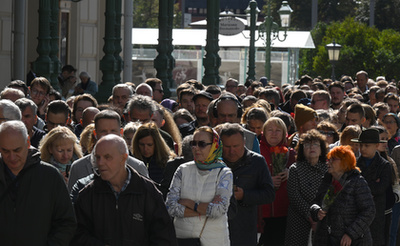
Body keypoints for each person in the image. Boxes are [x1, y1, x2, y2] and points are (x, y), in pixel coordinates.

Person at [71, 135, 177, 245]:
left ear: (123, 158)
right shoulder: (87, 195)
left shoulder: (148, 193)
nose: (101, 163)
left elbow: (165, 238)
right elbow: (77, 236)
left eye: (107, 157)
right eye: (98, 157)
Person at [0, 120, 76, 244]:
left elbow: (66, 223)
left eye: (17, 150)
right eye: (5, 151)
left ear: (28, 142)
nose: (12, 157)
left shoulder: (50, 176)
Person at [166, 126, 233, 245]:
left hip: (214, 241)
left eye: (201, 144)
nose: (196, 148)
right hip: (183, 239)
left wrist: (189, 203)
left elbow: (219, 210)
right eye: (193, 143)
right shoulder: (182, 170)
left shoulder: (224, 173)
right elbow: (171, 207)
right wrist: (205, 209)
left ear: (214, 146)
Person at [219, 123, 275, 245]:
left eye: (236, 146)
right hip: (218, 228)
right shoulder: (215, 163)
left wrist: (244, 195)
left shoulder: (256, 161)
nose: (231, 151)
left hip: (245, 229)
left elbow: (269, 194)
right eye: (227, 147)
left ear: (244, 142)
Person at [67, 110, 148, 191]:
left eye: (113, 131)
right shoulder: (78, 167)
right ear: (95, 134)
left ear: (121, 132)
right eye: (103, 131)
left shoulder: (137, 167)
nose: (109, 135)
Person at [310, 146, 375, 245]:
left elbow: (369, 211)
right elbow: (315, 202)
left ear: (345, 162)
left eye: (333, 159)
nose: (329, 162)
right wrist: (316, 211)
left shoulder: (356, 181)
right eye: (329, 159)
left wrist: (351, 233)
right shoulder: (326, 180)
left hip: (353, 241)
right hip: (326, 239)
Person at [285, 129, 328, 246]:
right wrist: (310, 216)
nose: (311, 147)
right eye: (307, 145)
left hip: (323, 218)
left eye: (315, 144)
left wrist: (319, 215)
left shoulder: (328, 168)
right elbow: (294, 195)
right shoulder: (295, 168)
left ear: (321, 148)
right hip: (299, 219)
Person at [259, 117, 296, 245]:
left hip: (284, 212)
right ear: (263, 132)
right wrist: (268, 181)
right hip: (261, 213)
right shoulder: (256, 152)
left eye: (278, 130)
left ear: (284, 133)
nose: (274, 133)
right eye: (270, 130)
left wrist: (291, 172)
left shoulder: (291, 154)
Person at [352, 128, 392, 246]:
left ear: (376, 145)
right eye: (361, 145)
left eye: (367, 145)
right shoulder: (355, 164)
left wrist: (361, 187)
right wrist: (372, 183)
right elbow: (350, 185)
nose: (363, 149)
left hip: (376, 214)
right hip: (356, 213)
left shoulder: (384, 165)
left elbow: (380, 188)